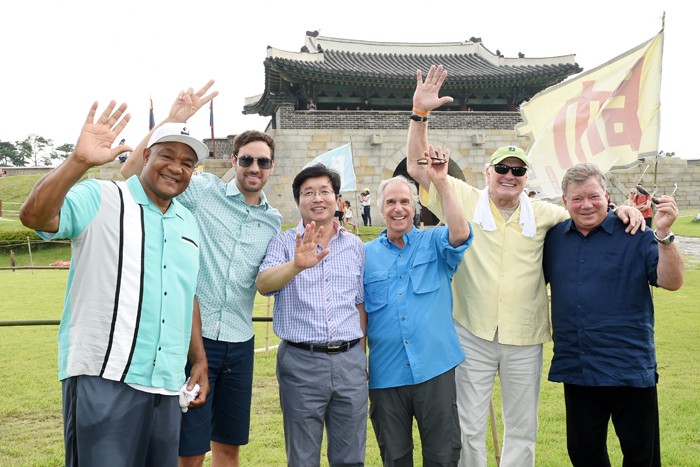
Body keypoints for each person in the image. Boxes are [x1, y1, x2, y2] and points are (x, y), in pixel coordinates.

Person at [406, 65, 645, 467]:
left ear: (525, 178)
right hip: (472, 330)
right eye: (502, 169)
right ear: (488, 174)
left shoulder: (545, 214)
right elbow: (418, 167)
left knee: (522, 427)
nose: (509, 176)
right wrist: (419, 116)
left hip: (524, 336)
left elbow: (584, 213)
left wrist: (619, 208)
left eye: (517, 171)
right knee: (468, 424)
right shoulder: (462, 199)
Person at [19, 101, 210, 467]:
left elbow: (188, 295)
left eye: (187, 163)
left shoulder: (187, 221)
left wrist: (198, 359)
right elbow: (34, 216)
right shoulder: (102, 197)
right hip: (104, 377)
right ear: (146, 156)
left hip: (167, 385)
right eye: (167, 156)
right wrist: (78, 162)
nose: (176, 167)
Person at [122, 80, 282, 467]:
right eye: (246, 159)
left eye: (262, 161)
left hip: (240, 342)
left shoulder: (274, 222)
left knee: (229, 447)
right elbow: (133, 177)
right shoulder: (202, 191)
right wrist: (174, 119)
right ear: (234, 161)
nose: (254, 168)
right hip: (195, 339)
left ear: (271, 167)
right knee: (189, 450)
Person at [543, 162, 684, 466]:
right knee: (584, 456)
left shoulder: (634, 232)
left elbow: (672, 282)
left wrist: (664, 234)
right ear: (564, 201)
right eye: (577, 198)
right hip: (578, 367)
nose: (586, 205)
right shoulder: (553, 239)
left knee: (641, 457)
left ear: (606, 195)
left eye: (593, 196)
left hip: (628, 367)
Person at [256, 163, 367, 467]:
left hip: (349, 362)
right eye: (308, 193)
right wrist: (295, 266)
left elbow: (359, 304)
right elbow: (263, 285)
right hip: (301, 363)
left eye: (324, 191)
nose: (317, 198)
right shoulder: (282, 243)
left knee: (351, 456)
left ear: (337, 200)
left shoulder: (355, 246)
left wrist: (361, 356)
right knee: (303, 457)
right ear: (298, 201)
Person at [364, 161, 473, 466]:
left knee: (442, 454)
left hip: (435, 368)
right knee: (395, 456)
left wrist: (441, 182)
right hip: (386, 375)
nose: (398, 209)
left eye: (404, 202)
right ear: (380, 209)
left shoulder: (434, 242)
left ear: (415, 208)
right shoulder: (365, 255)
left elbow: (461, 233)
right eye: (390, 202)